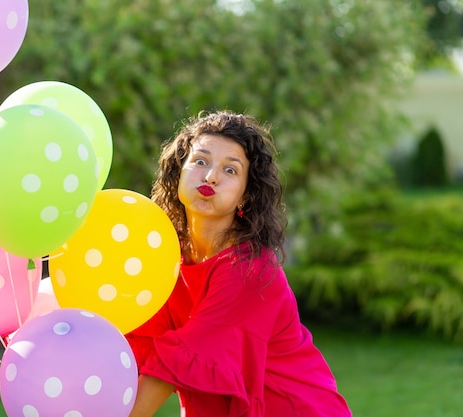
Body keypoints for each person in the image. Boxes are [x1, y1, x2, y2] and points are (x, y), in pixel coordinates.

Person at [125, 110, 352, 417]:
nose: (211, 177)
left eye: (230, 171)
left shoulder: (250, 269)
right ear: (178, 173)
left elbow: (180, 360)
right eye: (200, 161)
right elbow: (141, 346)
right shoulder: (166, 256)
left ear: (245, 197)